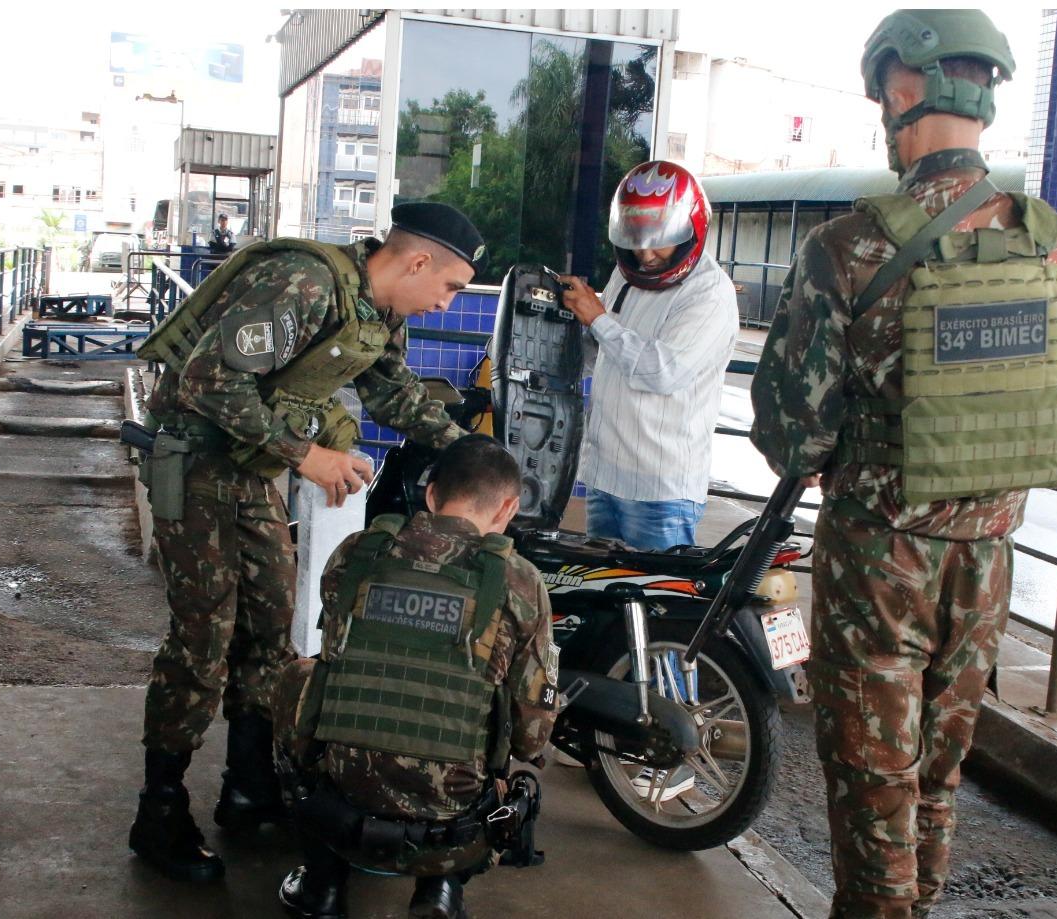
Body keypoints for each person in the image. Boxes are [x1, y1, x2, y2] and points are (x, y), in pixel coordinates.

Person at [748, 10, 1057, 918]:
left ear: (902, 91)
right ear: (983, 99)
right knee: (940, 768)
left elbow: (792, 431)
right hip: (987, 558)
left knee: (874, 773)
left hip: (878, 558)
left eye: (884, 96)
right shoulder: (1054, 241)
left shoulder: (847, 247)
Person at [128, 202, 484, 883]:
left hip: (250, 470)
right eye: (449, 286)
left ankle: (249, 783)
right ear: (415, 262)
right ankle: (159, 810)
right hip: (198, 464)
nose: (446, 302)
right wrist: (308, 455)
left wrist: (473, 454)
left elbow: (394, 394)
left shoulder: (378, 313)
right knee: (203, 641)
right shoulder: (307, 282)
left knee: (270, 631)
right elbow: (208, 380)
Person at [271, 434, 558, 919]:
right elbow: (532, 737)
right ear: (508, 508)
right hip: (454, 829)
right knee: (497, 712)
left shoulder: (358, 553)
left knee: (297, 678)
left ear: (430, 494)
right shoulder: (520, 581)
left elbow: (337, 662)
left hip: (338, 806)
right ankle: (440, 892)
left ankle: (323, 886)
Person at [557, 160, 739, 552]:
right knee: (601, 598)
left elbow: (663, 372)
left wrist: (599, 319)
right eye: (637, 237)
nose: (646, 252)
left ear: (691, 230)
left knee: (653, 603)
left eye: (659, 238)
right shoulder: (627, 276)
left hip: (660, 490)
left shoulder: (708, 293)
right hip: (606, 476)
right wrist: (561, 329)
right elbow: (607, 350)